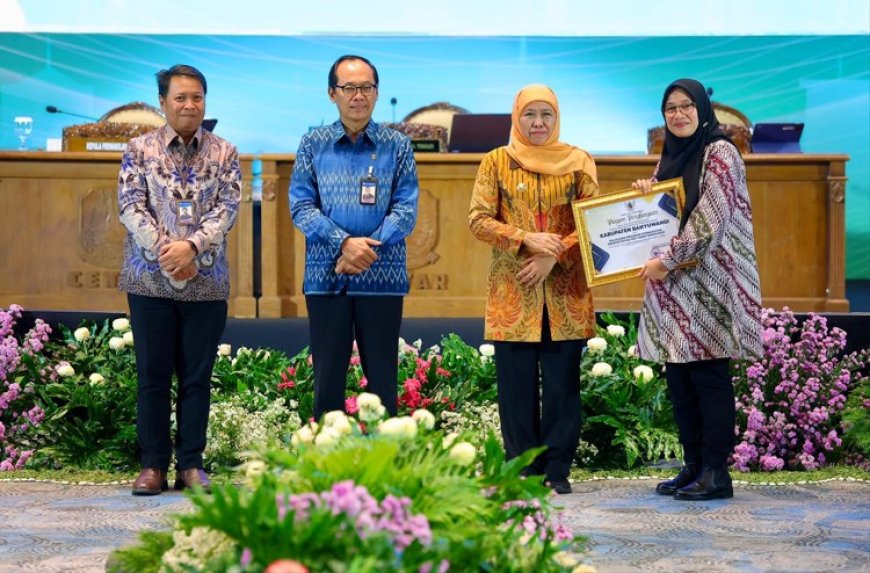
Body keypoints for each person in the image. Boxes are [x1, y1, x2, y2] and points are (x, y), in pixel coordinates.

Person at [634, 78, 762, 501]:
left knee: (708, 378)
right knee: (680, 379)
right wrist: (645, 198)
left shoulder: (720, 152)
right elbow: (666, 212)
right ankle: (692, 467)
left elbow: (708, 225)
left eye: (687, 106)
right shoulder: (670, 157)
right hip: (675, 289)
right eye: (670, 108)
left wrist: (663, 262)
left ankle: (716, 472)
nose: (679, 114)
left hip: (710, 286)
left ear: (703, 108)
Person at [468, 84, 598, 494]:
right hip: (514, 292)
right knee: (516, 387)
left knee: (563, 386)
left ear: (556, 118)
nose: (538, 123)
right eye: (530, 115)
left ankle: (557, 470)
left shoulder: (579, 163)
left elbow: (592, 221)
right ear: (516, 118)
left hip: (565, 291)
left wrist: (552, 255)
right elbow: (478, 219)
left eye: (546, 115)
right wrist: (525, 238)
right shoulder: (496, 162)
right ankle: (523, 469)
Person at [118, 64, 241, 495]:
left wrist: (191, 249)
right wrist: (167, 252)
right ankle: (152, 465)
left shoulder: (225, 152)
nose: (190, 105)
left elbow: (226, 210)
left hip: (206, 281)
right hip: (149, 280)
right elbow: (131, 207)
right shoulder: (138, 149)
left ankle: (191, 464)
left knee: (196, 377)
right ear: (163, 102)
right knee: (152, 375)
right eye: (180, 98)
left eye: (197, 97)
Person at [290, 55, 419, 420]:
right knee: (327, 381)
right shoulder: (312, 143)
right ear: (332, 93)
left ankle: (383, 464)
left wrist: (367, 248)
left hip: (383, 278)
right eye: (349, 87)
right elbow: (301, 206)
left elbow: (406, 210)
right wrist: (345, 243)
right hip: (326, 276)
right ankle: (328, 466)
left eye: (366, 87)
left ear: (377, 93)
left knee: (383, 382)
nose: (358, 95)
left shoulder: (398, 145)